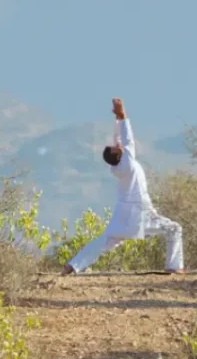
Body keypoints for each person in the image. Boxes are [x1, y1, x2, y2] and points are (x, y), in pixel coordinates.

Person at [67, 98, 183, 274]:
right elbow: (128, 141)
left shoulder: (118, 167)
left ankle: (73, 266)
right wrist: (123, 115)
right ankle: (174, 267)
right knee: (174, 229)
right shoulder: (127, 164)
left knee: (104, 242)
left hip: (124, 217)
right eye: (116, 148)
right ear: (118, 155)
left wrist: (117, 120)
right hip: (140, 214)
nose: (118, 146)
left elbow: (120, 140)